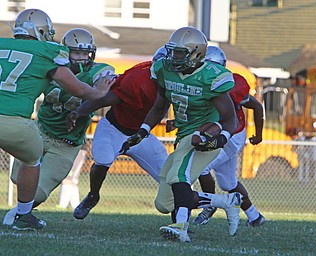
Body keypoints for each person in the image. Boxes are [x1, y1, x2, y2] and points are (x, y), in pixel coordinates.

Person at [120, 27, 242, 243]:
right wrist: (142, 131)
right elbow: (159, 107)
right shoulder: (165, 70)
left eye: (179, 53)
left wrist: (220, 138)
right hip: (183, 135)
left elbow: (230, 119)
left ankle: (181, 226)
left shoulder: (210, 77)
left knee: (179, 176)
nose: (173, 57)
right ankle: (227, 202)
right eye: (172, 51)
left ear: (196, 53)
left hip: (203, 136)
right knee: (164, 203)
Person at [0, 15, 113, 231]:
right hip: (38, 129)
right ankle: (23, 217)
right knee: (24, 171)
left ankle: (21, 214)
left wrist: (99, 89)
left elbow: (106, 75)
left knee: (38, 191)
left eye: (84, 52)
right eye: (75, 52)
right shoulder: (50, 57)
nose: (80, 57)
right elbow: (79, 89)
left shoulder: (95, 70)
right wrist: (96, 93)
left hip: (66, 143)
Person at [65, 48, 169, 220]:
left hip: (142, 135)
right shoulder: (137, 79)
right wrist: (79, 111)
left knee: (170, 179)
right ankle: (93, 196)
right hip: (114, 128)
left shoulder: (180, 83)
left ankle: (179, 220)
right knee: (103, 159)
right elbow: (104, 99)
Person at [192, 46, 266, 227]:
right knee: (228, 183)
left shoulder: (231, 84)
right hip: (218, 132)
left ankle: (209, 205)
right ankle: (254, 216)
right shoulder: (197, 82)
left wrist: (259, 134)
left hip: (233, 135)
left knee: (201, 167)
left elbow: (256, 106)